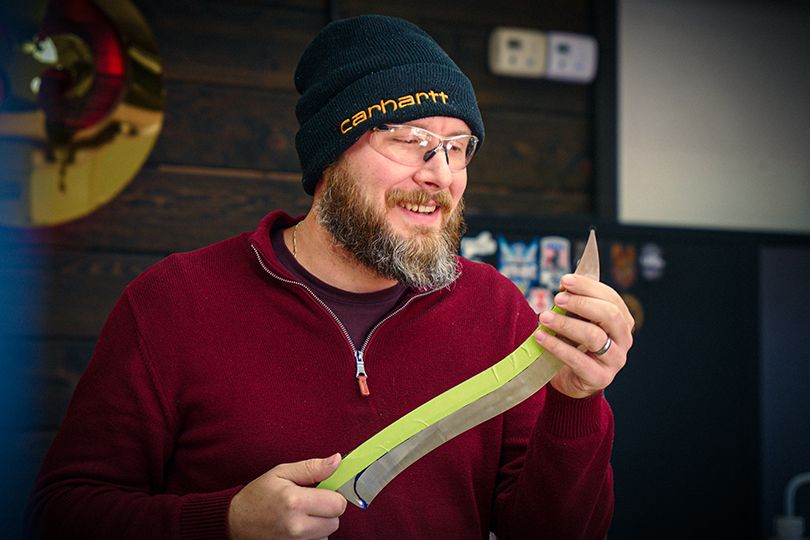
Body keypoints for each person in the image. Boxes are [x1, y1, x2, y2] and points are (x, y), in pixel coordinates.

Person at [25, 14, 633, 540]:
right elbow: (63, 515)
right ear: (328, 158)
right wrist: (226, 522)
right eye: (409, 139)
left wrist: (577, 403)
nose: (440, 175)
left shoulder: (494, 309)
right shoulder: (174, 303)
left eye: (458, 147)